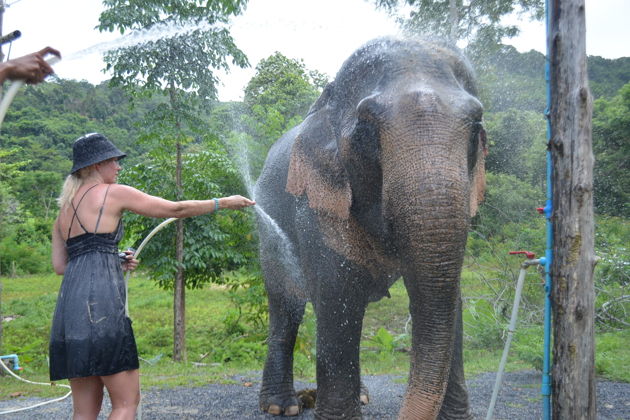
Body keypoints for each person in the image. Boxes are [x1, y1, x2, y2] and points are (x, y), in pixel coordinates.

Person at [50, 132, 255, 420]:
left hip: (70, 314)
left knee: (84, 413)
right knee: (125, 405)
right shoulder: (113, 193)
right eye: (113, 161)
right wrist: (224, 202)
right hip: (103, 309)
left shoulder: (63, 211)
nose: (118, 167)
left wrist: (114, 259)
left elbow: (62, 266)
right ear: (96, 165)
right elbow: (175, 209)